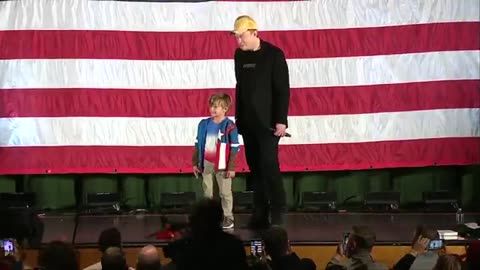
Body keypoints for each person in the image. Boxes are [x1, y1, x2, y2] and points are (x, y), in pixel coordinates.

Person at [231, 15, 290, 228]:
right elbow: (240, 89)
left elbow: (282, 90)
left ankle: (278, 209)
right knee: (255, 168)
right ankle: (260, 211)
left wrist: (281, 121)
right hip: (248, 122)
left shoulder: (274, 55)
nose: (239, 41)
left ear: (254, 33)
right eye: (236, 37)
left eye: (242, 36)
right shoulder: (239, 56)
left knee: (269, 166)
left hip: (268, 124)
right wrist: (238, 118)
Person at [192, 93, 240, 229]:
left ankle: (228, 217)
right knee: (207, 192)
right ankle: (208, 217)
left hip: (223, 164)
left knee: (225, 192)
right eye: (212, 106)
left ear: (225, 108)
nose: (213, 109)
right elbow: (197, 143)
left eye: (216, 107)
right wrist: (195, 162)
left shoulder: (230, 126)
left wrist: (231, 167)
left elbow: (235, 148)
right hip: (206, 162)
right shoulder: (203, 124)